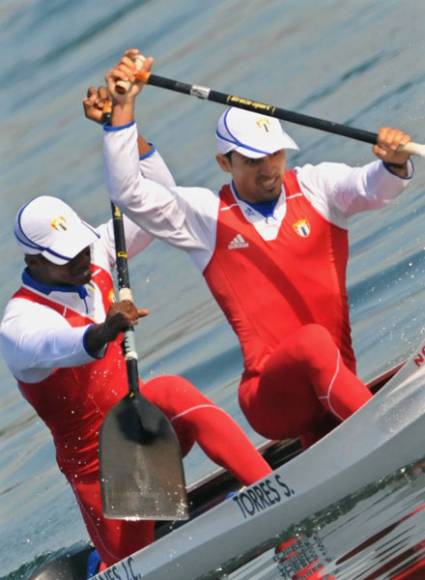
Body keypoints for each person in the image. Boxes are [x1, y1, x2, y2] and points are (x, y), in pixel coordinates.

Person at [102, 50, 414, 450]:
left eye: (275, 153)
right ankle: (392, 439)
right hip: (272, 399)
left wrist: (395, 162)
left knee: (321, 351)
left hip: (336, 377)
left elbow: (374, 188)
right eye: (252, 160)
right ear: (224, 163)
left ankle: (345, 433)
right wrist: (123, 107)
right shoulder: (205, 217)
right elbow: (128, 192)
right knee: (313, 342)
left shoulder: (318, 186)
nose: (268, 168)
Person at [0, 195, 272, 570]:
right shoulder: (18, 324)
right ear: (34, 262)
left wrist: (125, 139)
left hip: (146, 428)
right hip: (103, 470)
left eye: (81, 246)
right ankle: (102, 562)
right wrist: (106, 329)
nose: (81, 258)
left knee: (170, 390)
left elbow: (153, 202)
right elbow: (60, 345)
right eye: (66, 257)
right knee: (135, 563)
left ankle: (271, 486)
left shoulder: (93, 252)